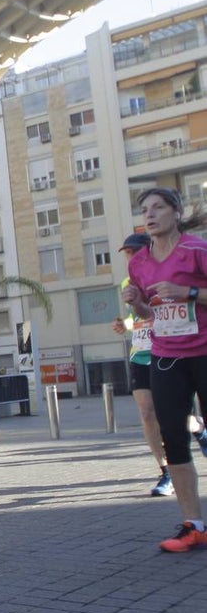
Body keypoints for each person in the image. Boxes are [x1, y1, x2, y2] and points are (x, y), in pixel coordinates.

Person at [122, 187, 207, 552]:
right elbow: (148, 315)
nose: (150, 215)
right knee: (173, 437)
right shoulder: (138, 262)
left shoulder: (196, 250)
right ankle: (194, 525)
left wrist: (187, 293)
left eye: (158, 207)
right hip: (166, 354)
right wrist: (139, 302)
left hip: (204, 350)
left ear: (176, 211)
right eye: (145, 210)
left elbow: (185, 295)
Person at [113, 232, 172, 496]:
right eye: (126, 253)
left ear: (147, 251)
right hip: (140, 355)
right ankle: (165, 471)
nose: (130, 257)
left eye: (133, 252)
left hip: (167, 352)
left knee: (174, 416)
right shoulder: (127, 282)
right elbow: (133, 318)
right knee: (147, 414)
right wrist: (122, 325)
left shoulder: (164, 274)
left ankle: (198, 430)